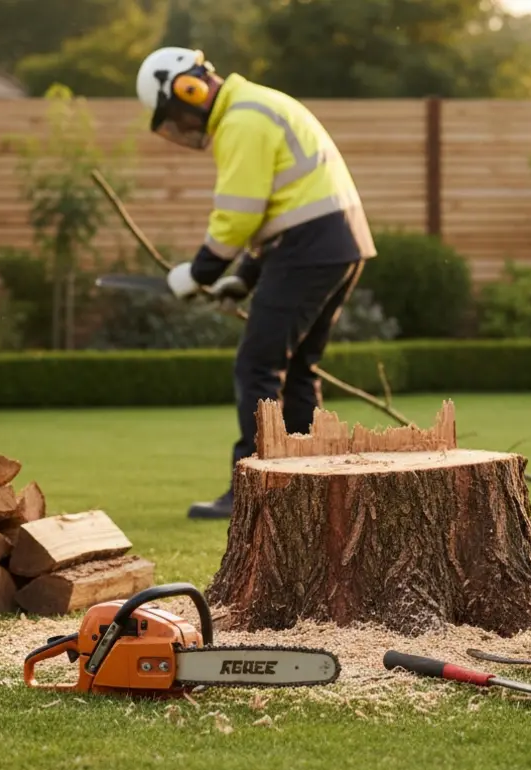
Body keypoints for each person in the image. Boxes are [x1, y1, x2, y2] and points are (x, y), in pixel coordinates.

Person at [134, 47, 377, 520]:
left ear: (190, 89)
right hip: (338, 243)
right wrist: (243, 277)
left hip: (309, 248)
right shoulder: (258, 104)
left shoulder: (242, 120)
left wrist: (200, 272)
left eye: (177, 112)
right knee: (299, 367)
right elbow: (278, 206)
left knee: (258, 367)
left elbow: (240, 212)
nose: (182, 124)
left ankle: (255, 491)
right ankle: (309, 484)